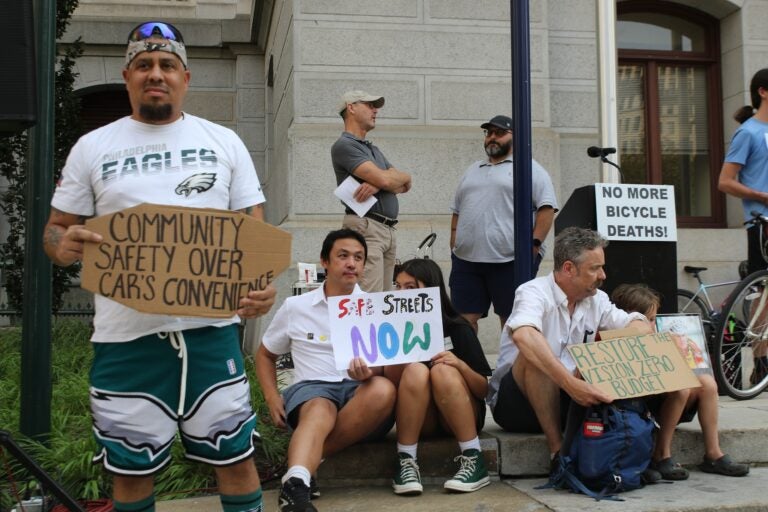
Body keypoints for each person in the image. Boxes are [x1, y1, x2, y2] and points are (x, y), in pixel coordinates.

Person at [43, 21, 276, 512]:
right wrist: (64, 246)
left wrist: (260, 289)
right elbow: (56, 229)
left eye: (167, 65)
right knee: (130, 472)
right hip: (124, 337)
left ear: (184, 78)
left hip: (211, 332)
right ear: (127, 75)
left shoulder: (224, 142)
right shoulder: (92, 146)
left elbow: (253, 237)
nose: (156, 73)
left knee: (235, 458)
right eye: (144, 65)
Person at [256, 229, 397, 512]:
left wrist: (370, 373)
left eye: (358, 258)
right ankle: (297, 485)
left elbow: (387, 366)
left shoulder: (376, 307)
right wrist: (272, 398)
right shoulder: (296, 306)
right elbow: (265, 354)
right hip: (312, 393)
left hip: (360, 395)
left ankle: (300, 469)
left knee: (383, 389)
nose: (351, 263)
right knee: (321, 406)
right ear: (325, 262)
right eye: (342, 256)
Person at [486, 227, 650, 470]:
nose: (603, 275)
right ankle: (558, 454)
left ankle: (644, 451)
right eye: (594, 268)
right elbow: (524, 334)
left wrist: (610, 347)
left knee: (620, 345)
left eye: (602, 267)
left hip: (571, 401)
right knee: (536, 357)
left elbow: (641, 325)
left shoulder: (597, 300)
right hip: (517, 405)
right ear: (568, 268)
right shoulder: (533, 291)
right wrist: (570, 383)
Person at [611, 284, 750, 479]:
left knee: (708, 383)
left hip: (665, 397)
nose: (652, 325)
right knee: (682, 387)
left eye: (653, 319)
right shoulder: (621, 333)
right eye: (649, 320)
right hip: (642, 403)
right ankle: (662, 453)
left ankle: (713, 453)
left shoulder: (656, 334)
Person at [389, 259, 493, 495]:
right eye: (398, 286)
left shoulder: (458, 327)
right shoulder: (392, 330)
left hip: (459, 416)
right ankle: (405, 460)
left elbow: (483, 390)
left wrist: (460, 366)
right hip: (420, 419)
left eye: (410, 288)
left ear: (430, 290)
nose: (401, 294)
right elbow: (392, 386)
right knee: (416, 370)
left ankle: (473, 458)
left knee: (442, 370)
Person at [449, 114, 558, 333]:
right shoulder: (473, 169)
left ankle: (509, 368)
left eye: (499, 133)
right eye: (489, 133)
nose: (492, 138)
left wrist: (534, 245)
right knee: (463, 321)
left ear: (515, 137)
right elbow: (458, 209)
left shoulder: (528, 168)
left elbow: (547, 208)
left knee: (511, 321)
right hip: (467, 260)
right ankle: (470, 367)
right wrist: (454, 240)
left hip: (509, 260)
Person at [331, 90, 413, 292]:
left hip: (384, 229)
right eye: (369, 105)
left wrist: (379, 182)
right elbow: (390, 179)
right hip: (367, 227)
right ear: (351, 107)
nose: (375, 110)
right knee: (370, 303)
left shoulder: (372, 149)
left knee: (383, 301)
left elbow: (406, 182)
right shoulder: (344, 145)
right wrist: (385, 180)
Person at [717, 68, 768, 383]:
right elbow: (724, 181)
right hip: (762, 222)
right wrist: (761, 195)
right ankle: (761, 361)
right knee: (764, 291)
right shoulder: (748, 132)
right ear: (763, 91)